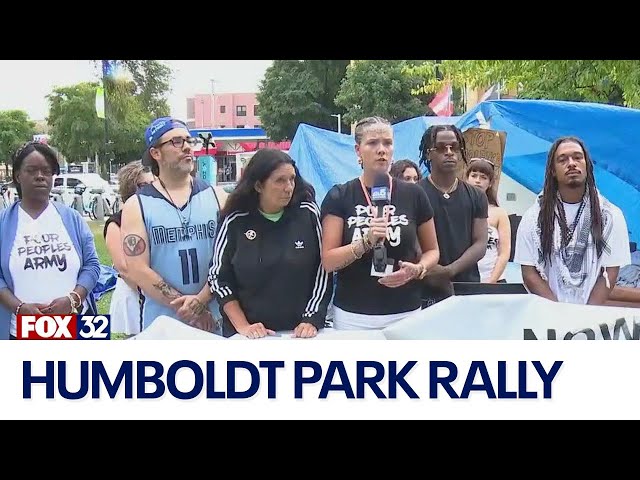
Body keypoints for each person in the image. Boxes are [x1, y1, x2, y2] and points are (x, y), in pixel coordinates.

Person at [320, 116, 440, 330]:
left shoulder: (414, 194)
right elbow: (329, 261)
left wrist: (419, 268)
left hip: (405, 312)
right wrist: (365, 242)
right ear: (358, 150)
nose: (382, 149)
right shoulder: (341, 195)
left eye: (387, 143)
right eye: (373, 143)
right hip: (353, 316)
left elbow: (433, 251)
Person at [208, 149, 331, 338]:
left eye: (292, 179)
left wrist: (312, 318)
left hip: (300, 334)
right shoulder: (234, 221)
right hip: (249, 336)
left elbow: (323, 270)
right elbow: (218, 278)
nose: (289, 187)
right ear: (258, 185)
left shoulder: (308, 213)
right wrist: (243, 326)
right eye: (280, 180)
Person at [120, 117, 224, 334]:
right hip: (163, 325)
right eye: (176, 141)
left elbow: (229, 258)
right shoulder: (137, 205)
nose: (186, 146)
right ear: (155, 153)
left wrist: (202, 300)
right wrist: (188, 306)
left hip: (215, 320)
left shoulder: (217, 196)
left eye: (188, 140)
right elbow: (137, 268)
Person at [0, 142, 100, 339]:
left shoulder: (72, 218)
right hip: (24, 331)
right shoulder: (3, 223)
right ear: (18, 176)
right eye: (32, 170)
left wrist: (73, 300)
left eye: (46, 171)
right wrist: (19, 308)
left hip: (78, 326)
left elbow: (92, 266)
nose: (40, 176)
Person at [514, 136, 630, 305]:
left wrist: (583, 317)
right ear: (553, 170)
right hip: (549, 316)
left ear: (587, 166)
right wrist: (559, 314)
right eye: (563, 159)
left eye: (577, 157)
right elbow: (529, 272)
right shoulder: (534, 217)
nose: (571, 163)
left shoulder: (610, 216)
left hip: (589, 318)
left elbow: (610, 271)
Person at [417, 125, 488, 307]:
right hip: (423, 288)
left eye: (454, 147)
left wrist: (449, 271)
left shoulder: (477, 195)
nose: (449, 152)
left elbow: (480, 243)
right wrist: (429, 268)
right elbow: (409, 241)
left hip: (466, 289)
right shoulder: (413, 193)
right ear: (428, 154)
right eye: (441, 148)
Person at [103, 160, 154, 336]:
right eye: (144, 185)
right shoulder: (116, 224)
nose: (150, 189)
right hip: (136, 297)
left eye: (153, 184)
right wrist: (156, 296)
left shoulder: (156, 217)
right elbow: (125, 269)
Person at [465, 157, 511, 283]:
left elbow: (504, 253)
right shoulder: (457, 209)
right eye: (474, 176)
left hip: (494, 281)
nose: (478, 181)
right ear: (467, 178)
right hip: (464, 282)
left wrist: (491, 281)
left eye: (483, 177)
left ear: (490, 183)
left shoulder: (499, 213)